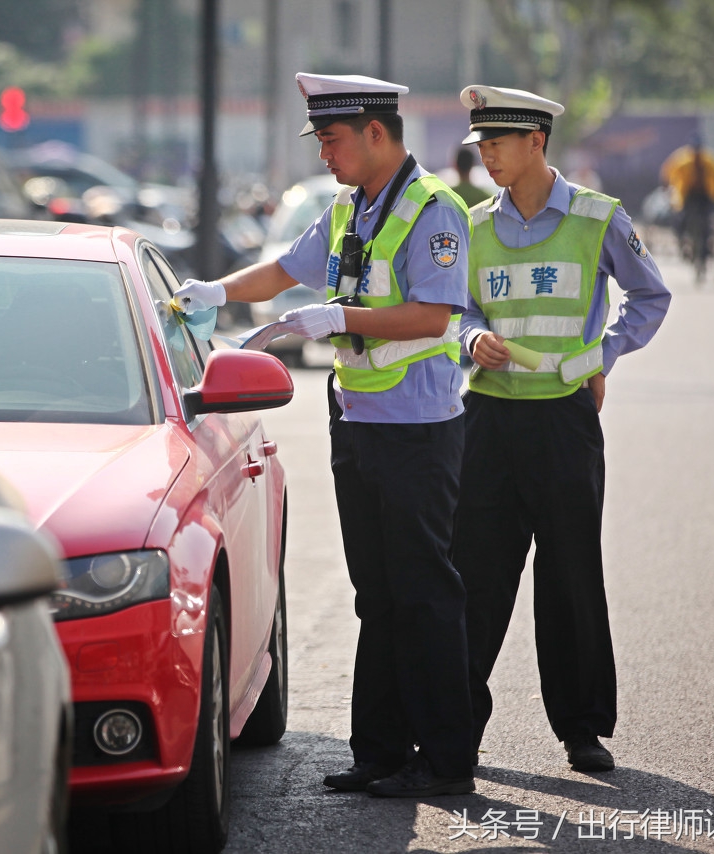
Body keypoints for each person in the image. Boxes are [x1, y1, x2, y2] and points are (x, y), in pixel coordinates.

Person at [175, 73, 475, 798]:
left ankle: (445, 760)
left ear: (377, 133)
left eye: (333, 140)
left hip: (416, 427)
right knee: (375, 592)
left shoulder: (433, 210)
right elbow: (285, 271)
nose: (325, 156)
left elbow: (435, 316)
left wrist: (340, 319)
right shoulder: (350, 208)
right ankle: (378, 751)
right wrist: (215, 291)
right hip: (356, 419)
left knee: (423, 592)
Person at [453, 85, 671, 773]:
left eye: (497, 142)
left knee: (570, 569)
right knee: (477, 572)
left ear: (536, 142)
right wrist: (472, 337)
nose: (485, 154)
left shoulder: (598, 217)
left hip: (563, 418)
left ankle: (581, 727)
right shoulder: (471, 225)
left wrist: (601, 353)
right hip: (487, 418)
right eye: (480, 144)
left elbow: (650, 294)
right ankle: (456, 724)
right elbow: (453, 310)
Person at [660, 135, 714, 268]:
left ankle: (707, 245)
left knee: (710, 221)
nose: (696, 153)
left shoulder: (709, 160)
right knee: (679, 219)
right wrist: (667, 188)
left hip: (706, 195)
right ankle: (683, 242)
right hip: (687, 196)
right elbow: (667, 171)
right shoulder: (682, 160)